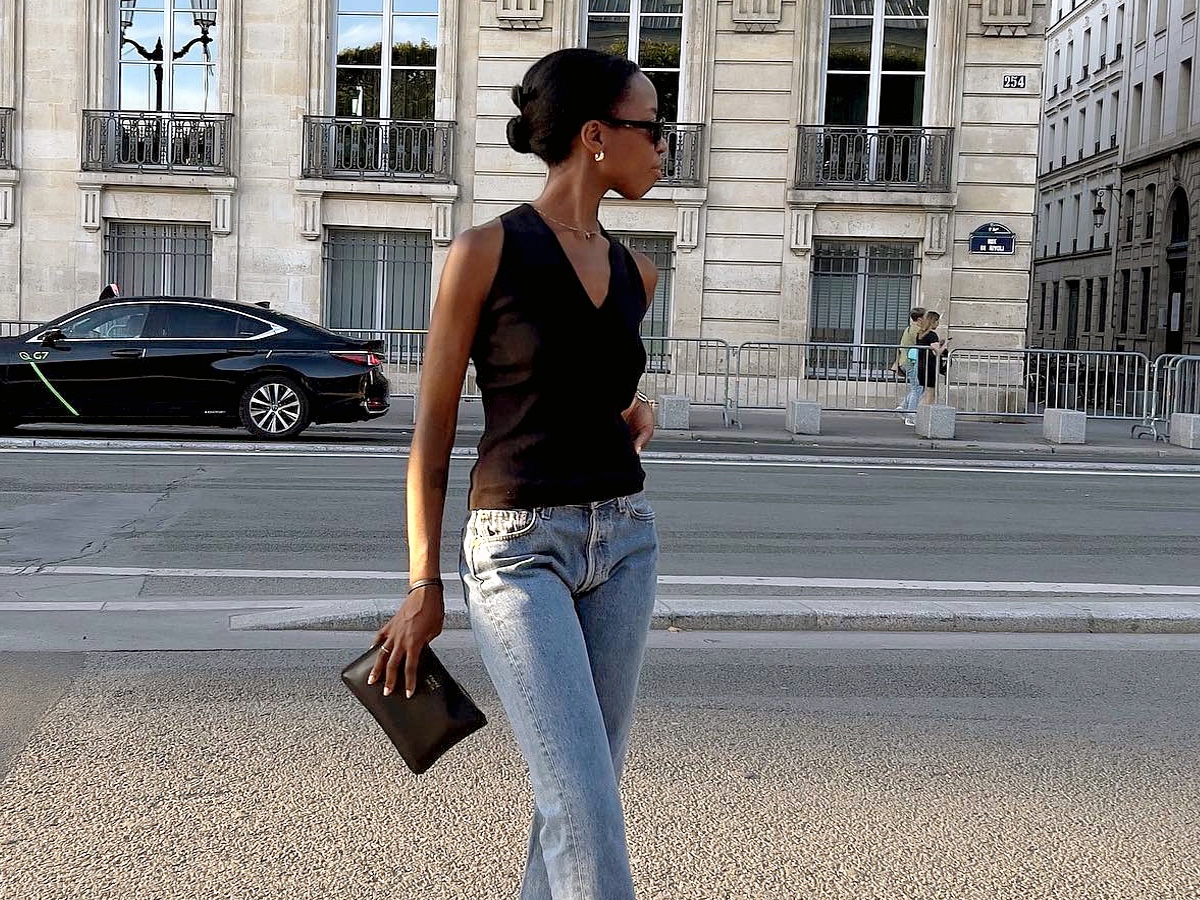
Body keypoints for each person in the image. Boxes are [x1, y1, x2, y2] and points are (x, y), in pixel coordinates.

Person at [369, 48, 664, 900]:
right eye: (652, 127)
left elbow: (585, 389)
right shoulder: (484, 251)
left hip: (626, 546)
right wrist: (423, 581)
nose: (664, 146)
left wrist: (629, 413)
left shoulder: (637, 274)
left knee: (580, 802)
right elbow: (431, 433)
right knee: (585, 808)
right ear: (596, 135)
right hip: (518, 550)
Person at [906, 310, 951, 424]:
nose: (938, 324)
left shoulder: (920, 335)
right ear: (933, 322)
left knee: (925, 393)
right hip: (930, 366)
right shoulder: (932, 335)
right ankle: (924, 418)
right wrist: (945, 344)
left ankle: (919, 416)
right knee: (930, 394)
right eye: (937, 322)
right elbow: (938, 351)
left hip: (921, 366)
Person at [892, 307, 926, 416]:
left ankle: (902, 407)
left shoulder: (909, 328)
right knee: (917, 388)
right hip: (911, 362)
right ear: (920, 319)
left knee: (917, 387)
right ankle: (910, 414)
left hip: (905, 361)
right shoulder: (917, 330)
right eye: (926, 317)